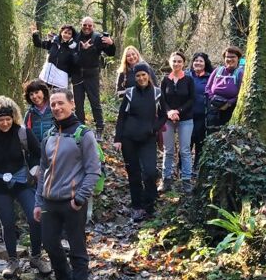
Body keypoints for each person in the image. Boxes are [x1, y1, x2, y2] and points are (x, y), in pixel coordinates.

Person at [34, 88, 102, 280]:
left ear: (72, 104)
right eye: (53, 104)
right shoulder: (50, 134)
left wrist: (80, 197)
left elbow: (93, 171)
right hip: (49, 202)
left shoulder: (83, 134)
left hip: (73, 202)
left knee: (77, 250)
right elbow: (43, 170)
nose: (56, 108)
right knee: (50, 244)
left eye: (61, 103)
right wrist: (37, 201)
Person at [0, 96, 51, 277]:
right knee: (8, 222)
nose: (5, 123)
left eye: (8, 119)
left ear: (13, 117)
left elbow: (38, 153)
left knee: (35, 217)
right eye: (1, 120)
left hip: (22, 181)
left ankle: (36, 257)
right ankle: (12, 261)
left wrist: (35, 169)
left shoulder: (22, 132)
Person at [114, 63, 166, 222]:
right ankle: (137, 207)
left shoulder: (157, 93)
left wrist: (153, 128)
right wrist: (118, 139)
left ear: (149, 75)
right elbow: (121, 117)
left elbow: (164, 115)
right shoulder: (129, 93)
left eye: (144, 75)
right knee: (134, 174)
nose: (141, 78)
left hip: (147, 139)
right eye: (138, 76)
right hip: (129, 139)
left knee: (150, 172)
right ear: (134, 78)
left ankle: (150, 204)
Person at [72, 17, 116, 137]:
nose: (87, 27)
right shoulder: (75, 37)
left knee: (95, 102)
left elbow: (111, 53)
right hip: (77, 75)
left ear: (93, 27)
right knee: (78, 104)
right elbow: (71, 55)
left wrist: (111, 43)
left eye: (89, 25)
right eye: (85, 25)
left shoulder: (98, 38)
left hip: (92, 74)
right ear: (81, 25)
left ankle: (99, 128)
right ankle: (81, 128)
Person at [160, 51, 195, 192]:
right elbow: (161, 99)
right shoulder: (165, 80)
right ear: (170, 62)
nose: (176, 64)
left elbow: (192, 99)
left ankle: (186, 181)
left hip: (185, 119)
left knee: (185, 151)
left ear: (184, 63)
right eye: (174, 61)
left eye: (179, 61)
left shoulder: (188, 80)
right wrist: (169, 112)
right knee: (168, 150)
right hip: (167, 120)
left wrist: (178, 111)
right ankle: (166, 180)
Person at [205, 46, 245, 131]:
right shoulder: (217, 71)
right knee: (211, 135)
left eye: (233, 57)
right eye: (227, 57)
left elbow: (241, 94)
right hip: (214, 110)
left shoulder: (240, 73)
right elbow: (208, 88)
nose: (230, 59)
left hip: (230, 111)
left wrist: (228, 103)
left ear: (238, 58)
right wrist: (213, 99)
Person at [31, 24, 79, 88]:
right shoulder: (54, 43)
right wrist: (35, 34)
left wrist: (72, 48)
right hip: (44, 79)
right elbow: (38, 44)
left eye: (69, 34)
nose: (67, 35)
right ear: (61, 32)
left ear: (72, 36)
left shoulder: (72, 48)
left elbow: (76, 63)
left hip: (59, 84)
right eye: (65, 32)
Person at [189, 52, 213, 169]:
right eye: (196, 60)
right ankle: (183, 166)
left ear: (205, 63)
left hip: (203, 116)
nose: (198, 63)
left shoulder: (210, 77)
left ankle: (197, 166)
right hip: (187, 115)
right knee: (187, 142)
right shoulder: (187, 75)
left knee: (200, 142)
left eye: (200, 61)